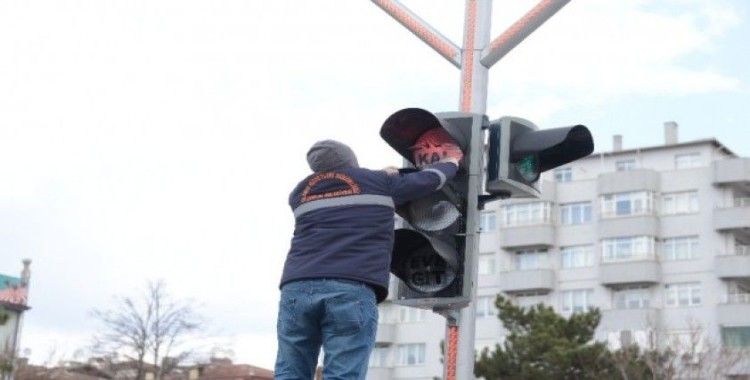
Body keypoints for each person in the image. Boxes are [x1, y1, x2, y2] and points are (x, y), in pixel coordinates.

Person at [274, 134, 463, 380]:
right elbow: (429, 180)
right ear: (350, 160)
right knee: (343, 374)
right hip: (349, 286)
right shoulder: (379, 182)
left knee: (290, 371)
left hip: (297, 288)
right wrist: (452, 161)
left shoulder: (299, 193)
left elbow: (342, 188)